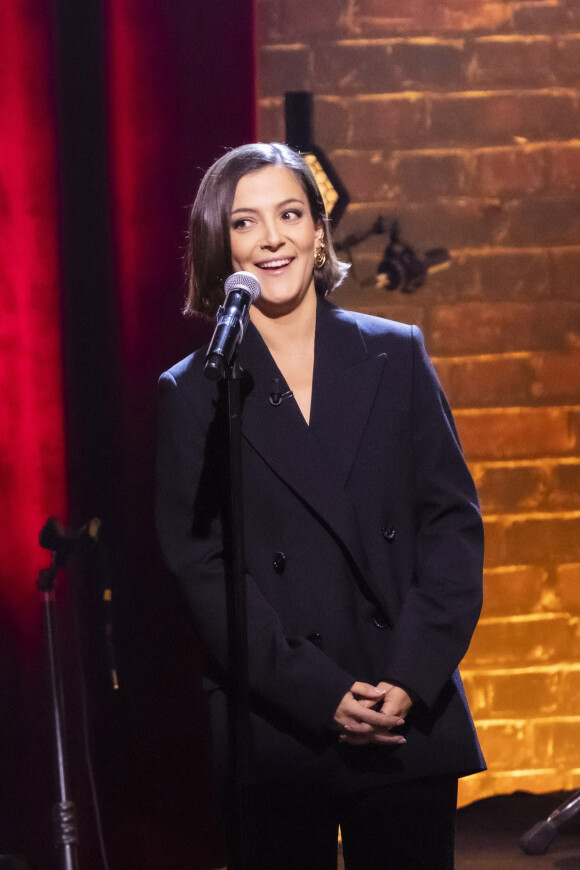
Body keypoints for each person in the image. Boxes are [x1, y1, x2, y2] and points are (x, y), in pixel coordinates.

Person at [156, 142, 485, 869]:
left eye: (290, 214)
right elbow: (200, 564)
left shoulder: (395, 354)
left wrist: (406, 676)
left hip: (403, 709)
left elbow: (452, 527)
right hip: (278, 723)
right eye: (247, 222)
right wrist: (318, 690)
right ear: (222, 243)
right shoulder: (196, 387)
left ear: (317, 232)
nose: (272, 238)